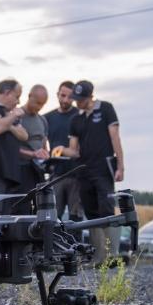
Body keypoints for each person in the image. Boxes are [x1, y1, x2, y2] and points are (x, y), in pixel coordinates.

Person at [52, 80, 125, 266]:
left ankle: (112, 256)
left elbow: (115, 137)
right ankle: (98, 257)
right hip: (84, 171)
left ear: (90, 96)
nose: (77, 103)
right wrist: (61, 150)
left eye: (80, 99)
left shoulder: (106, 108)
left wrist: (120, 166)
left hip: (103, 168)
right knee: (91, 212)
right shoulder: (76, 119)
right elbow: (74, 150)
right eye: (76, 99)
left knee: (106, 209)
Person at [44, 81, 83, 222]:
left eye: (70, 97)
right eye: (63, 95)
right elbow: (42, 145)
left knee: (75, 219)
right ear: (57, 94)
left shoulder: (80, 116)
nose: (66, 100)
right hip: (56, 176)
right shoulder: (47, 118)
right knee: (53, 218)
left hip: (77, 175)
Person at [14, 84, 51, 213]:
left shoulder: (42, 120)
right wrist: (33, 154)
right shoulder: (16, 116)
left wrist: (46, 155)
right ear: (30, 96)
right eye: (37, 103)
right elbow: (11, 148)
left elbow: (44, 145)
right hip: (20, 171)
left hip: (38, 171)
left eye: (43, 104)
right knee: (22, 209)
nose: (39, 107)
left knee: (41, 208)